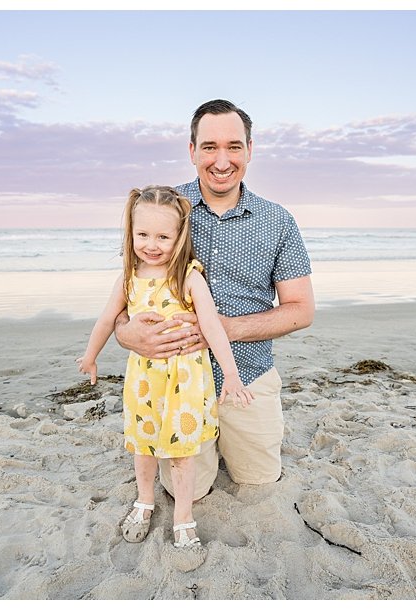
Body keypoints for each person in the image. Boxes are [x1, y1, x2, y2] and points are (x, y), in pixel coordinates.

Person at [113, 99, 314, 504]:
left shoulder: (277, 220)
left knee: (259, 481)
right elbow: (127, 292)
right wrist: (125, 334)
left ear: (250, 150)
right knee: (188, 490)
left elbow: (301, 309)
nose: (222, 160)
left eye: (234, 147)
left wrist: (223, 328)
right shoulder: (165, 209)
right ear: (192, 151)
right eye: (209, 147)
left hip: (249, 374)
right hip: (175, 382)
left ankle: (233, 438)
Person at [78, 185, 255, 548]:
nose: (152, 244)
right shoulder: (127, 279)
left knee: (181, 453)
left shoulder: (188, 277)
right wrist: (91, 355)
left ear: (179, 237)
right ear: (131, 233)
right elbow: (106, 320)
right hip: (144, 381)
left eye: (163, 236)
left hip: (185, 381)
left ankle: (183, 517)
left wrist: (232, 374)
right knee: (142, 447)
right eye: (143, 234)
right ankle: (144, 500)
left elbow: (213, 328)